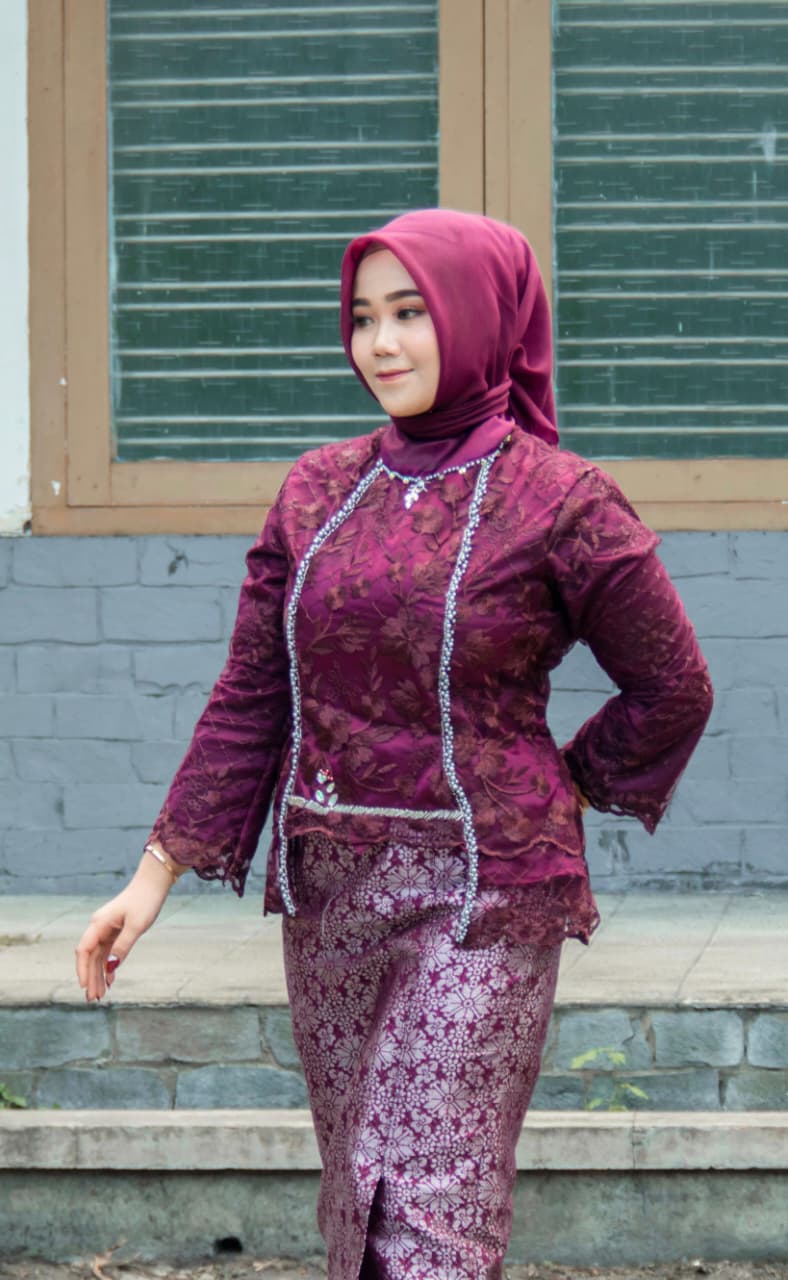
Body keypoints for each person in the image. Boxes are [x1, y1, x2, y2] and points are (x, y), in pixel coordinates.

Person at [76, 209, 713, 1280]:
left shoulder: (561, 501)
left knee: (429, 1206)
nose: (381, 343)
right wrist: (155, 875)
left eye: (411, 313)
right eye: (363, 317)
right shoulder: (316, 488)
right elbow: (253, 693)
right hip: (328, 891)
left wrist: (560, 786)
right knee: (357, 1200)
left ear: (477, 318)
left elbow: (673, 686)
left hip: (483, 894)